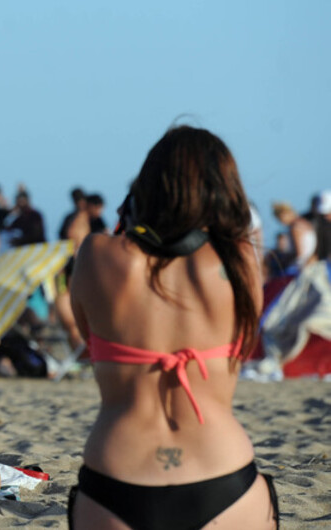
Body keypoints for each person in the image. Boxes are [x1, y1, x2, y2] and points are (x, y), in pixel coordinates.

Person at [68, 126, 277, 529]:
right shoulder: (241, 262)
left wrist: (129, 221)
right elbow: (245, 341)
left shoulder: (95, 254)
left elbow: (88, 335)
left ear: (144, 189)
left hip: (116, 474)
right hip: (223, 473)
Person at [272, 201, 316, 271]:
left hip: (301, 266)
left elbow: (299, 253)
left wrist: (285, 260)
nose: (280, 222)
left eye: (279, 218)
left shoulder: (295, 228)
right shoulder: (304, 223)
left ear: (286, 214)